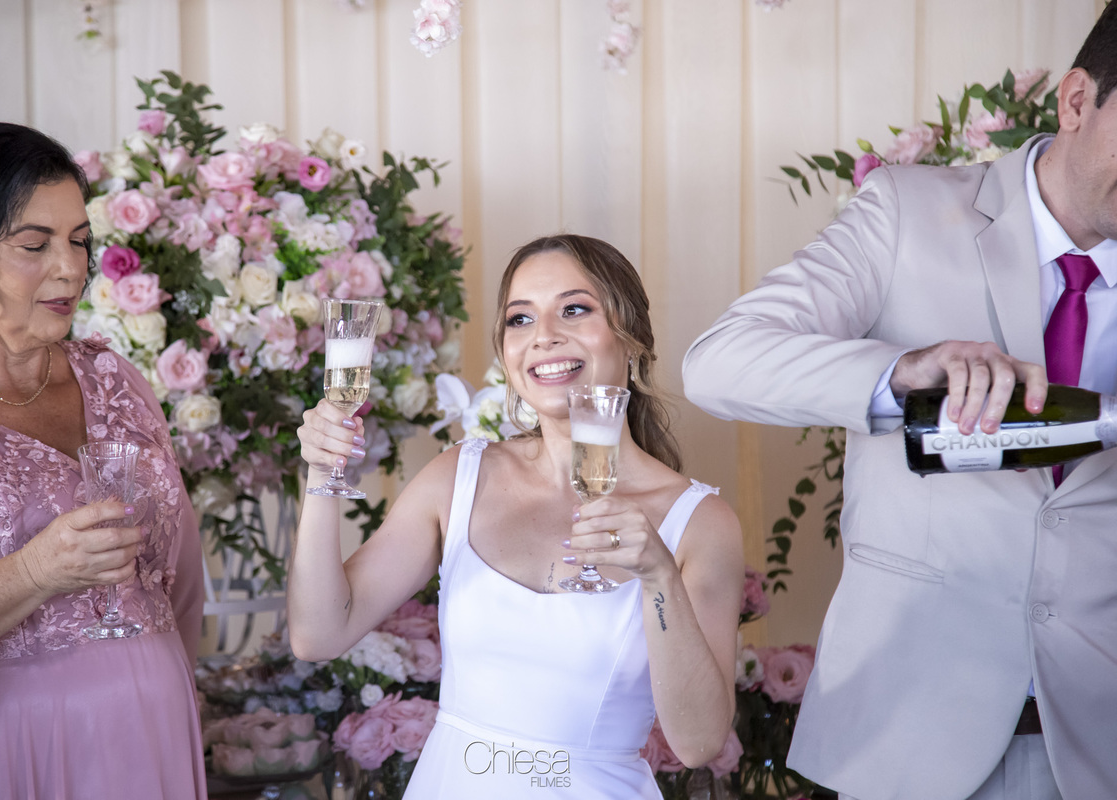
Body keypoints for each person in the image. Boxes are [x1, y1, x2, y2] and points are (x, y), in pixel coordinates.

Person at [682, 9, 1117, 800]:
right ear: (1077, 100)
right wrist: (899, 371)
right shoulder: (905, 211)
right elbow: (719, 362)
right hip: (909, 737)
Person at [289, 234, 743, 798]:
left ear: (633, 341)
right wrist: (321, 473)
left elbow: (699, 743)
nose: (543, 336)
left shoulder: (699, 522)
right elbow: (318, 634)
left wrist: (659, 578)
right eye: (520, 319)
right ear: (505, 353)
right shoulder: (459, 476)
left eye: (574, 309)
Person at [0, 122, 207, 799]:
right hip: (11, 756)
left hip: (154, 739)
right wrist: (36, 571)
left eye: (79, 240)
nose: (70, 268)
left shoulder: (116, 379)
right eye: (34, 244)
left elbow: (182, 581)